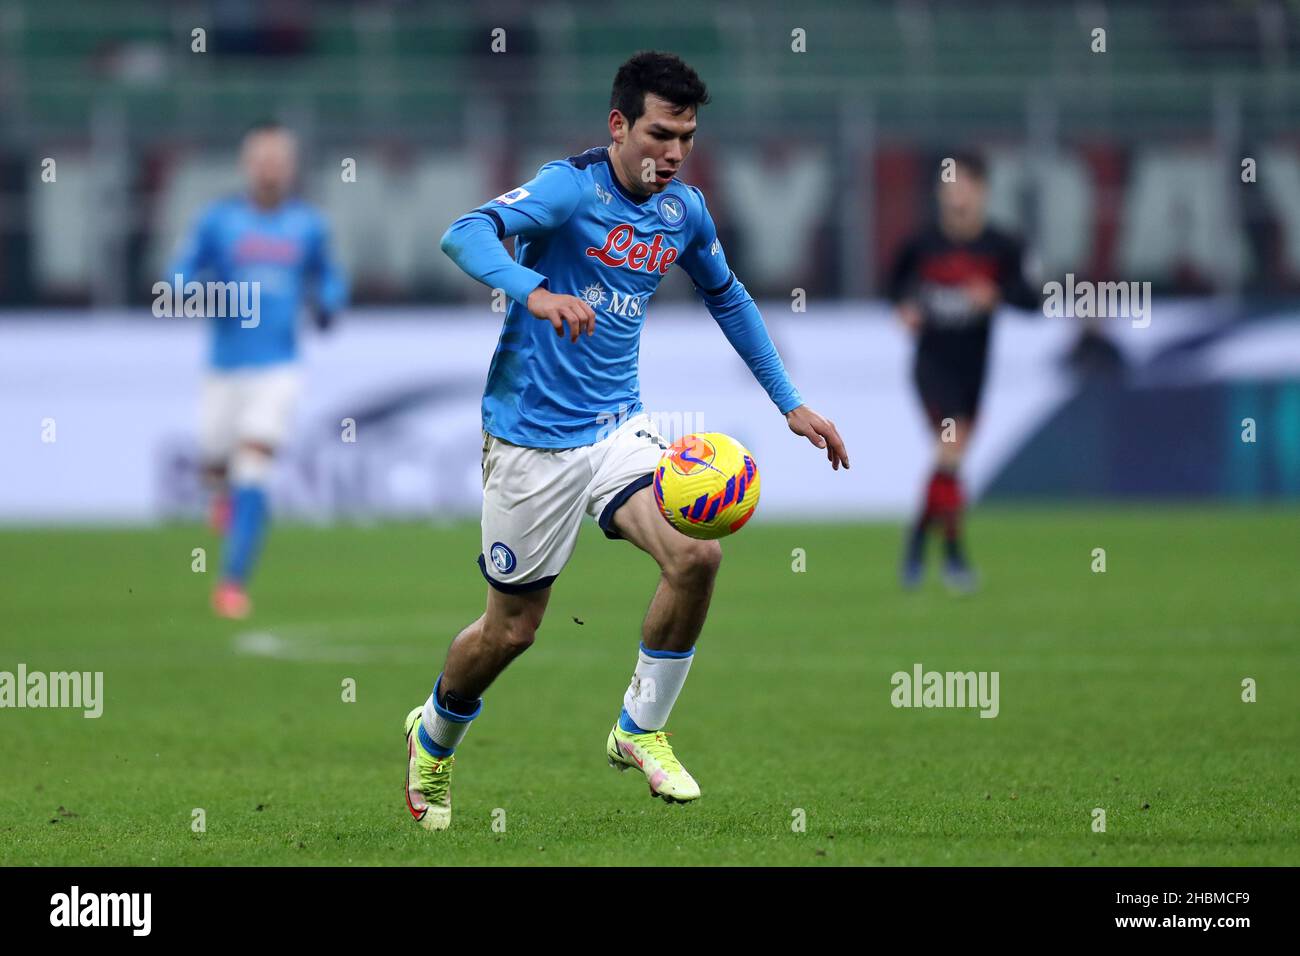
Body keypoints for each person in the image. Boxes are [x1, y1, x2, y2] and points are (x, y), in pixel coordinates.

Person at [405, 51, 849, 830]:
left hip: (618, 428)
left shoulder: (685, 211)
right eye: (658, 134)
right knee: (512, 631)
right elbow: (462, 233)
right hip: (530, 442)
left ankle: (640, 729)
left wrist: (790, 403)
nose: (673, 154)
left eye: (686, 137)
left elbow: (731, 299)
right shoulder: (567, 188)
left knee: (697, 553)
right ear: (619, 126)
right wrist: (533, 291)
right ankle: (434, 738)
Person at [169, 121, 347, 619]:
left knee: (254, 463)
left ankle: (231, 584)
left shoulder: (308, 225)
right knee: (215, 463)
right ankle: (220, 492)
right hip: (224, 368)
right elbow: (179, 269)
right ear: (248, 166)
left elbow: (328, 276)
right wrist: (185, 288)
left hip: (279, 368)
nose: (270, 169)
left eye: (279, 160)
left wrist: (330, 302)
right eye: (262, 160)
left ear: (290, 168)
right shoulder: (219, 221)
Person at [887, 151, 1039, 593]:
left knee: (950, 461)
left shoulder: (1001, 246)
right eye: (949, 187)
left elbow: (1033, 297)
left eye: (965, 187)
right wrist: (904, 310)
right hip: (932, 366)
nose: (956, 196)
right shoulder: (922, 244)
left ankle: (918, 540)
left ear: (982, 192)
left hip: (974, 368)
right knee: (951, 453)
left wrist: (997, 294)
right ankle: (952, 558)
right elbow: (894, 288)